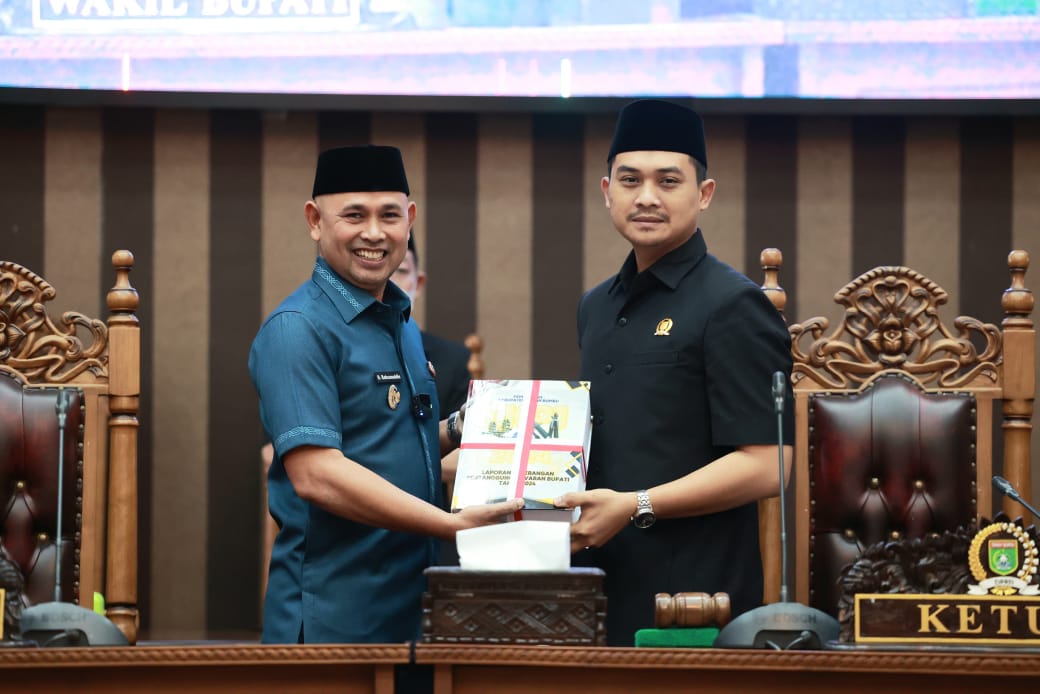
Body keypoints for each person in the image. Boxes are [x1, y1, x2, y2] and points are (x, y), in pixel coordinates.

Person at [248, 144, 521, 645]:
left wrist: (462, 427)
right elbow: (317, 474)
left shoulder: (400, 323)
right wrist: (450, 525)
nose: (374, 233)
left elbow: (390, 441)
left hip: (412, 614)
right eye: (354, 215)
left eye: (390, 216)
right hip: (334, 622)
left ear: (410, 220)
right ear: (315, 221)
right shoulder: (297, 328)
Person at [555, 100, 795, 646]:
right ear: (607, 191)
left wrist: (634, 505)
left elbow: (769, 466)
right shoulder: (595, 306)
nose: (646, 197)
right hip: (600, 583)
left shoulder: (733, 304)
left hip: (695, 600)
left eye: (668, 181)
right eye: (630, 180)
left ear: (703, 194)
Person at [392, 235, 472, 414]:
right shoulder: (337, 348)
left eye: (401, 270)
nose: (390, 282)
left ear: (419, 284)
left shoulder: (453, 362)